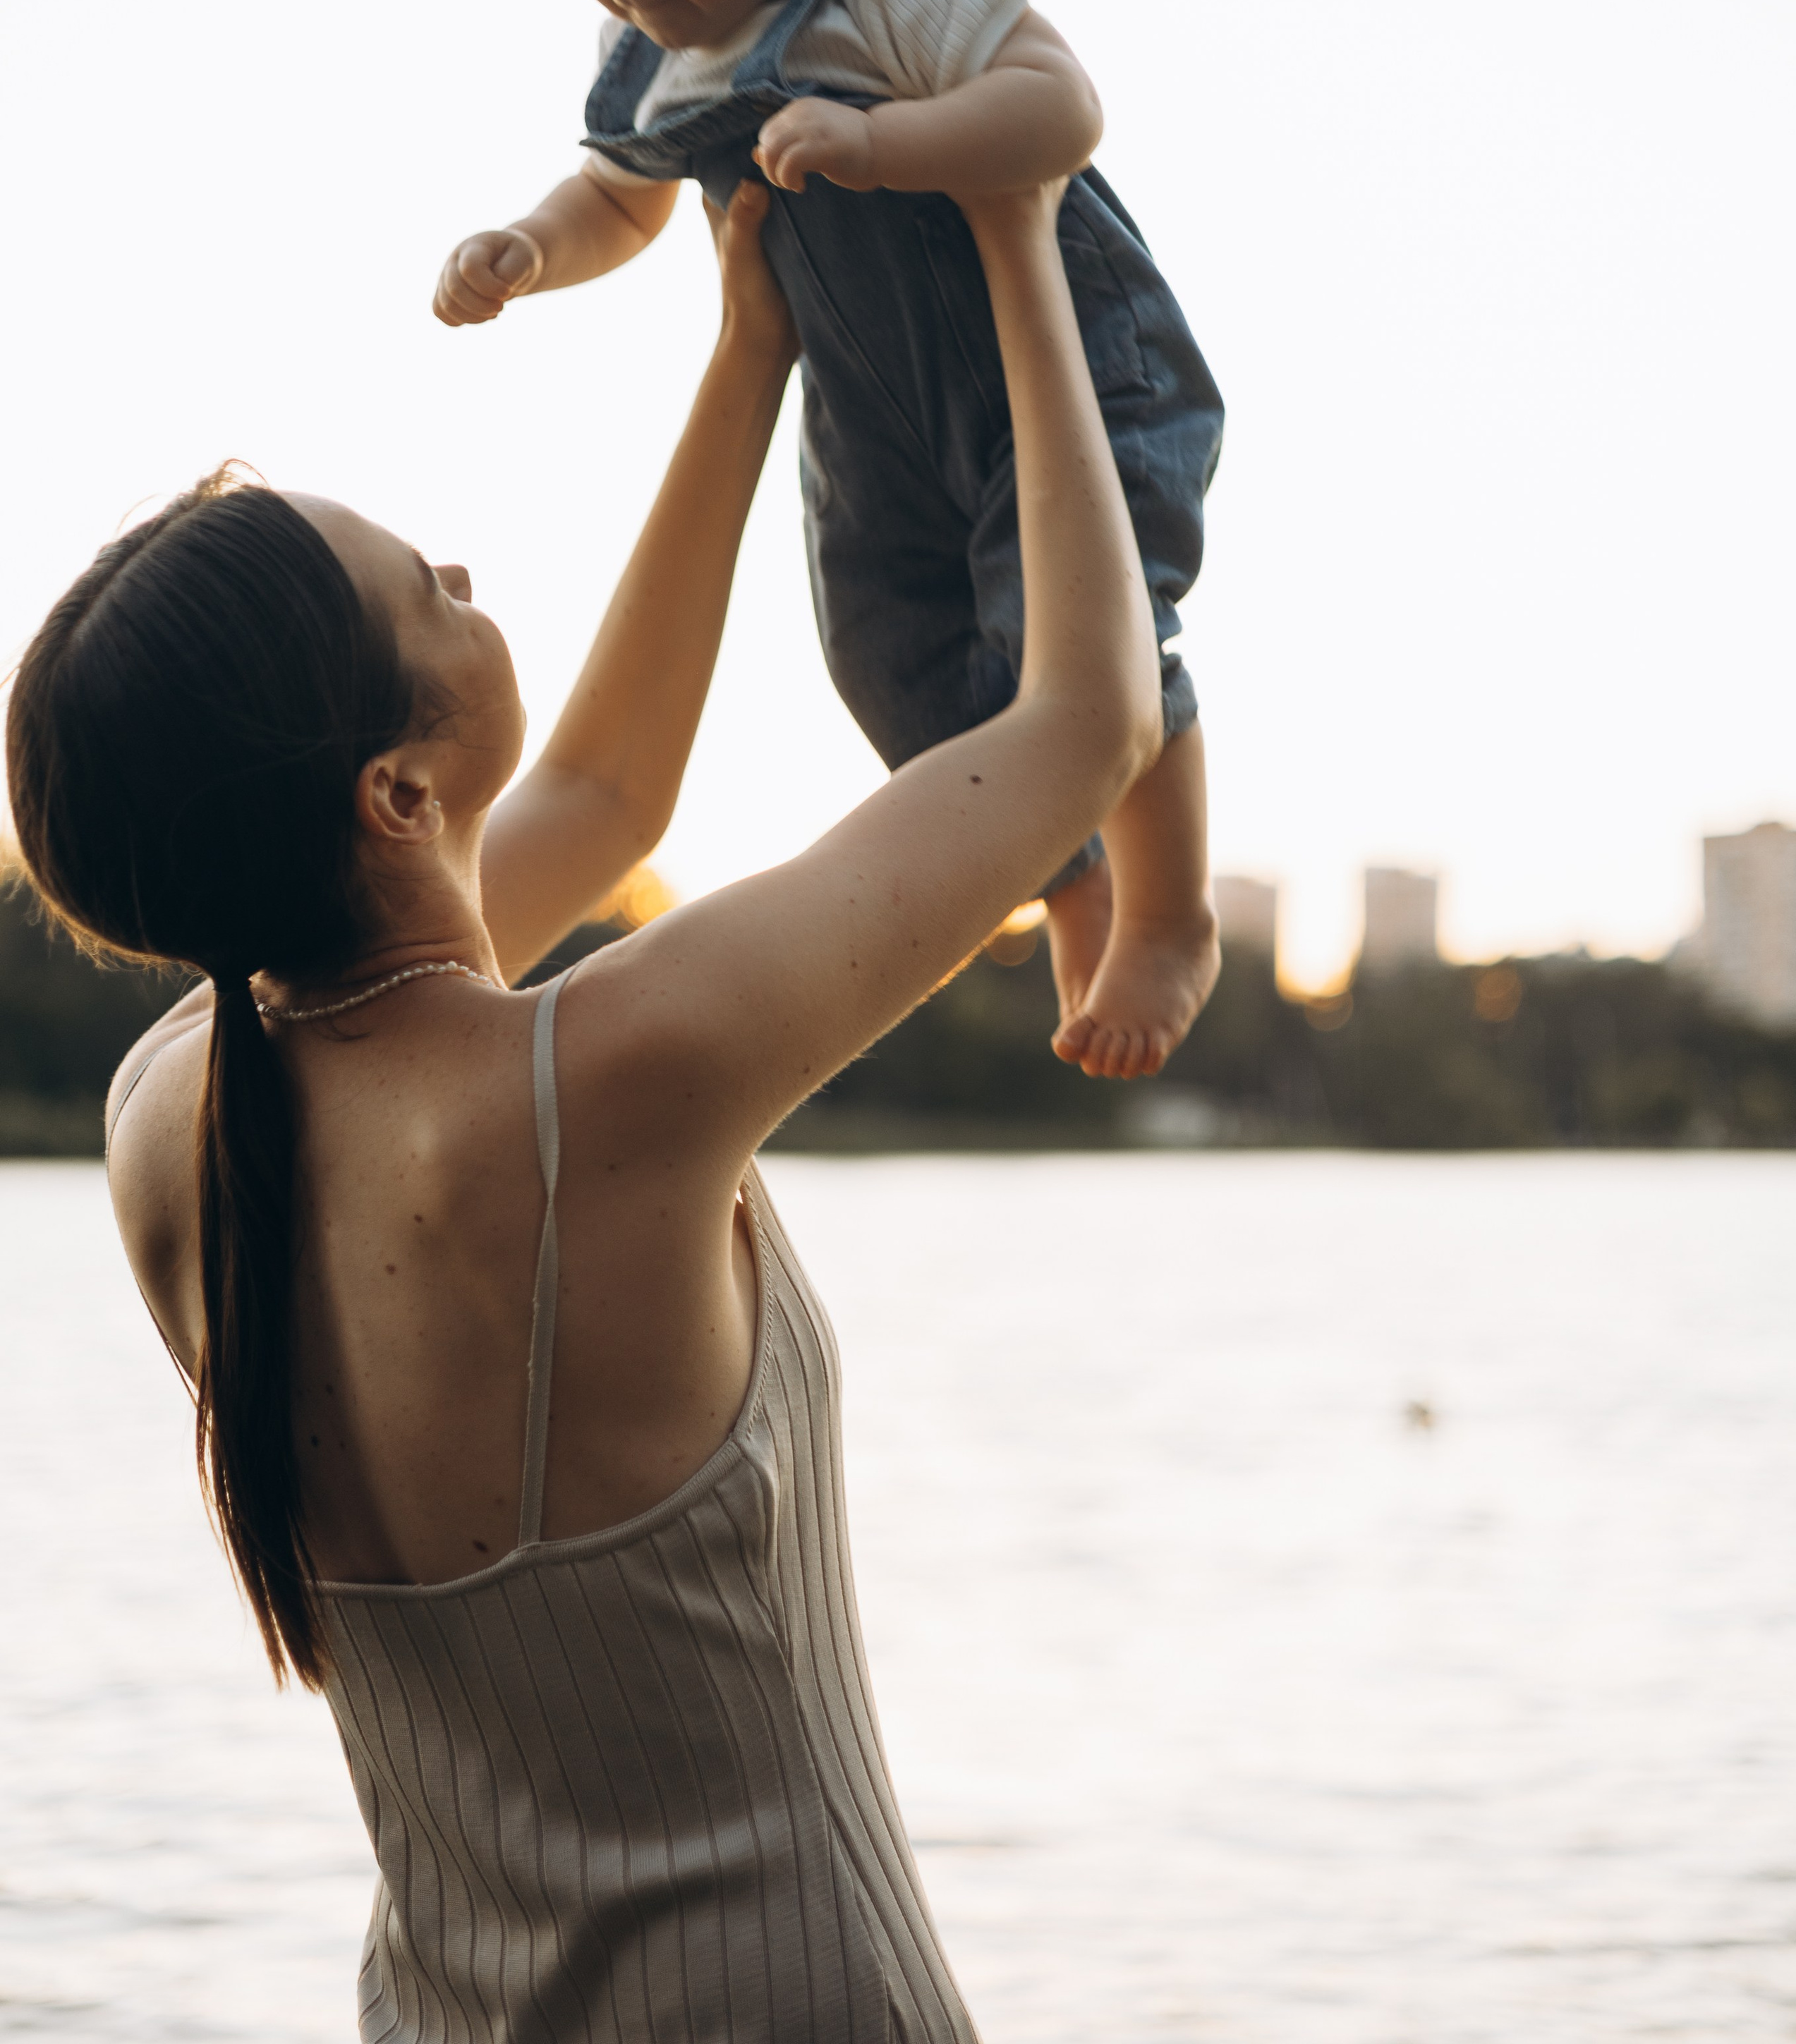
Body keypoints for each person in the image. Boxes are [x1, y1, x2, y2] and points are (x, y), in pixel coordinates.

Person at [7, 179, 1163, 2043]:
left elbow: (613, 790)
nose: (458, 570)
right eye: (419, 592)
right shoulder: (604, 1080)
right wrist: (1019, 233)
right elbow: (1087, 725)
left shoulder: (164, 1121)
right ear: (394, 795)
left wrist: (748, 346)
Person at [433, 0, 1225, 1082]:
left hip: (1053, 359)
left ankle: (1171, 911)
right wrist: (533, 249)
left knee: (1087, 627)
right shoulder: (659, 55)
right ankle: (1071, 875)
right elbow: (624, 199)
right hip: (870, 414)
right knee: (889, 659)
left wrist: (884, 141)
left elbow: (1060, 112)